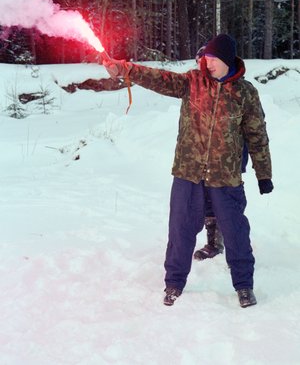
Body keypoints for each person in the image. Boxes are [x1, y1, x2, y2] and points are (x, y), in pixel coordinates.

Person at [101, 34, 273, 308]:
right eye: (206, 58)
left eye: (213, 58)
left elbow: (257, 135)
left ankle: (244, 285)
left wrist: (264, 174)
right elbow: (158, 78)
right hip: (188, 172)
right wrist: (125, 69)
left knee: (235, 231)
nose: (207, 62)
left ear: (227, 61)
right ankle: (174, 282)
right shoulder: (193, 82)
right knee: (180, 229)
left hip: (225, 177)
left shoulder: (245, 93)